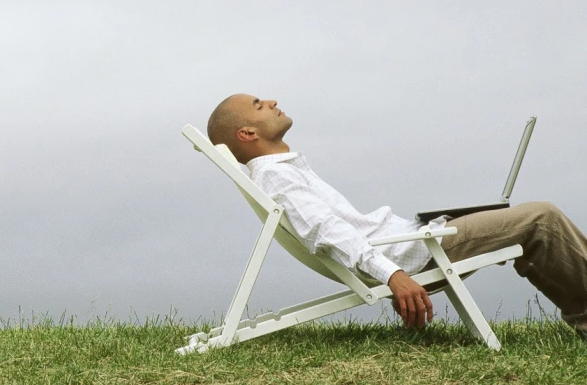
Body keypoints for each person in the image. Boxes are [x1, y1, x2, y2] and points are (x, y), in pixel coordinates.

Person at [206, 93, 587, 335]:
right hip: (417, 254)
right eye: (259, 105)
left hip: (414, 242)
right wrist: (394, 276)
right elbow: (327, 231)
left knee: (531, 223)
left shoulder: (280, 172)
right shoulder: (277, 177)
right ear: (247, 134)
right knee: (542, 218)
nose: (272, 101)